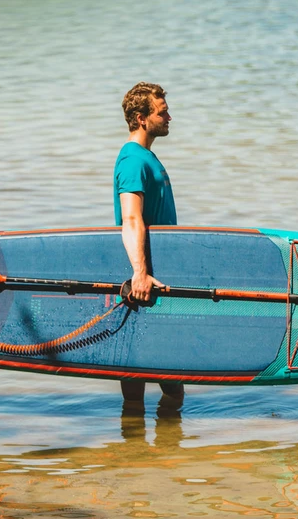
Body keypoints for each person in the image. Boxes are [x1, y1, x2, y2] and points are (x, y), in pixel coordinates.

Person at [113, 81, 184, 409]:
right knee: (139, 380)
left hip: (159, 277)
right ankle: (136, 450)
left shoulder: (146, 157)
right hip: (145, 279)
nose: (169, 117)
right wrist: (140, 272)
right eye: (162, 112)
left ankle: (144, 455)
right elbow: (130, 219)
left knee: (172, 382)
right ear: (142, 118)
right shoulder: (133, 161)